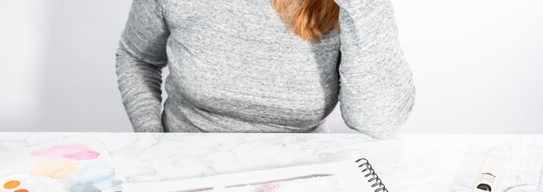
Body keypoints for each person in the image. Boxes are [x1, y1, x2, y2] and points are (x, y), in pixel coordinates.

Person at [115, 0, 414, 138]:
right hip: (183, 167)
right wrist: (152, 140)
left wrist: (364, 4)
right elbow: (136, 58)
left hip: (299, 179)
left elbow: (380, 122)